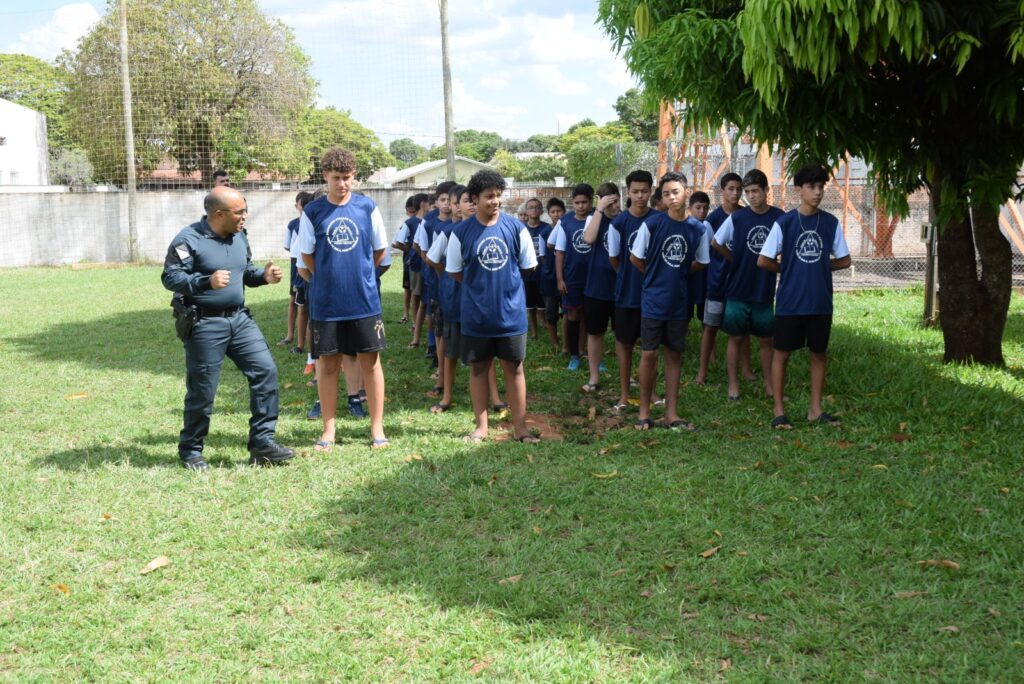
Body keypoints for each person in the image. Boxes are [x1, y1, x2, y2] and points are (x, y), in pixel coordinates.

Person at [161, 186, 293, 470]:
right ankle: (191, 451)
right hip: (205, 323)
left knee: (265, 371)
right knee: (203, 390)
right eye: (240, 212)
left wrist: (265, 276)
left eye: (245, 210)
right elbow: (171, 277)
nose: (245, 216)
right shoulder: (188, 239)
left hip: (239, 320)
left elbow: (245, 270)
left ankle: (262, 444)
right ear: (219, 214)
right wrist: (204, 282)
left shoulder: (239, 236)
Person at [298, 147, 390, 449]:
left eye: (347, 178)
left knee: (371, 363)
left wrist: (358, 276)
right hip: (326, 304)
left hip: (364, 301)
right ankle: (329, 429)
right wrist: (330, 276)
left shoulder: (367, 208)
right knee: (327, 366)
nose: (342, 184)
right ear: (325, 176)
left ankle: (377, 428)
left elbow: (379, 252)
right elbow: (307, 257)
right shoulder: (312, 212)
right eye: (336, 178)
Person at [446, 169, 539, 443]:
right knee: (478, 369)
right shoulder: (461, 232)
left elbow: (527, 266)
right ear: (474, 199)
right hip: (476, 316)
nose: (495, 201)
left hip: (511, 315)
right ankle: (481, 427)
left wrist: (503, 288)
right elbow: (455, 271)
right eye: (489, 197)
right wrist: (480, 287)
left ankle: (521, 428)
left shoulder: (515, 228)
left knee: (515, 368)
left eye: (498, 196)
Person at [757, 163, 851, 429]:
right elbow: (763, 260)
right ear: (799, 189)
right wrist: (788, 268)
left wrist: (818, 265)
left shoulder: (830, 223)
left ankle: (815, 409)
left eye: (821, 187)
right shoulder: (784, 222)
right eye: (812, 187)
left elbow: (844, 260)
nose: (818, 192)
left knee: (819, 354)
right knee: (781, 354)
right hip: (790, 302)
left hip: (820, 301)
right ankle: (778, 411)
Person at [629, 171, 710, 431]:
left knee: (674, 355)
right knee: (649, 353)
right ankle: (644, 411)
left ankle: (671, 412)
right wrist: (656, 275)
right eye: (666, 194)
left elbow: (703, 260)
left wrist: (681, 273)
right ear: (661, 197)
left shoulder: (698, 228)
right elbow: (635, 258)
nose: (671, 197)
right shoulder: (652, 225)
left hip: (679, 301)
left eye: (675, 191)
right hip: (653, 300)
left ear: (686, 192)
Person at [712, 168, 785, 401]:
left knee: (766, 340)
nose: (751, 196)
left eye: (756, 191)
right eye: (748, 192)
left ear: (766, 191)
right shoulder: (737, 217)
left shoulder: (779, 217)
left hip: (763, 289)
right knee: (735, 337)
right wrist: (735, 258)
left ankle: (770, 385)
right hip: (737, 288)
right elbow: (716, 242)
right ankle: (733, 386)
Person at [607, 169, 655, 411]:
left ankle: (653, 392)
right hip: (626, 294)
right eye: (635, 191)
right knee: (624, 344)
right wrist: (628, 276)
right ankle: (624, 394)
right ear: (628, 192)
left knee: (651, 347)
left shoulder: (658, 219)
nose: (640, 196)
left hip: (653, 296)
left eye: (644, 191)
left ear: (651, 191)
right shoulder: (618, 223)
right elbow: (614, 258)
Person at [696, 172, 743, 385]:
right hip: (716, 282)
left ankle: (747, 370)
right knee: (710, 326)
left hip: (741, 283)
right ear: (722, 191)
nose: (735, 193)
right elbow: (707, 252)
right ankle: (702, 372)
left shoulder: (746, 215)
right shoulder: (712, 220)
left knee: (742, 328)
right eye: (731, 189)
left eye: (738, 189)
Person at [580, 181, 621, 392]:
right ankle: (594, 377)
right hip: (597, 288)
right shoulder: (595, 219)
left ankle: (627, 375)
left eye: (615, 202)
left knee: (624, 336)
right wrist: (599, 210)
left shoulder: (625, 219)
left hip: (621, 288)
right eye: (609, 204)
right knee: (595, 333)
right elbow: (588, 238)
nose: (613, 208)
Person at [555, 183, 594, 369]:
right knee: (572, 314)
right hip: (572, 277)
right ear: (572, 203)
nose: (581, 206)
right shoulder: (566, 222)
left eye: (584, 202)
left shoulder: (597, 218)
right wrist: (560, 278)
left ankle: (585, 350)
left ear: (591, 201)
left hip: (593, 277)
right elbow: (560, 252)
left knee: (589, 315)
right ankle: (573, 355)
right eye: (577, 202)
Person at [280, 191, 312, 352]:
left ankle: (305, 345)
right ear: (297, 206)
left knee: (305, 306)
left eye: (307, 204)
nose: (305, 208)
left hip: (307, 266)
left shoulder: (312, 222)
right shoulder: (294, 224)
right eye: (302, 205)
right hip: (297, 265)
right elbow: (288, 245)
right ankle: (290, 336)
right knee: (295, 301)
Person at [395, 193, 429, 347]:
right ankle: (416, 323)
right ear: (423, 204)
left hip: (427, 264)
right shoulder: (410, 223)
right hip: (415, 264)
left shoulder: (430, 221)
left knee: (425, 296)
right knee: (416, 294)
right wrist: (410, 251)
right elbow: (397, 242)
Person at [521, 198, 549, 340]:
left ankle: (544, 322)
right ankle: (533, 331)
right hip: (527, 273)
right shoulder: (521, 228)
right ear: (526, 211)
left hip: (543, 272)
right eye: (531, 207)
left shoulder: (547, 228)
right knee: (530, 304)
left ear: (542, 211)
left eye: (537, 207)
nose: (534, 210)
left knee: (542, 303)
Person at [541, 197, 565, 352]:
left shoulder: (568, 228)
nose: (556, 214)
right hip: (549, 278)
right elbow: (543, 256)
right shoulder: (544, 233)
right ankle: (555, 341)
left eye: (559, 211)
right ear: (549, 214)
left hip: (567, 277)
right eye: (553, 212)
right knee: (551, 312)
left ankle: (567, 340)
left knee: (568, 312)